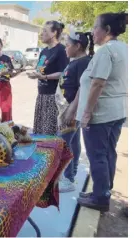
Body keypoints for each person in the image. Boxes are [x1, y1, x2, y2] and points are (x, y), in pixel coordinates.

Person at [76, 13, 128, 212]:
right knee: (108, 153)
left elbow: (98, 83)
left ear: (107, 30)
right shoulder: (124, 48)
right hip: (117, 111)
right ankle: (103, 190)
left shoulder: (106, 51)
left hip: (101, 114)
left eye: (95, 27)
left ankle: (100, 198)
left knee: (97, 155)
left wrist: (87, 112)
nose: (92, 31)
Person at [57, 30, 94, 193]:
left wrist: (71, 110)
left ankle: (67, 178)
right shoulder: (75, 61)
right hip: (67, 108)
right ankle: (71, 173)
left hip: (71, 109)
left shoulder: (84, 62)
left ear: (78, 46)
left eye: (68, 45)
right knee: (72, 141)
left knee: (63, 143)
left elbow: (82, 87)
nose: (66, 48)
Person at [27, 21, 69, 135]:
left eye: (45, 31)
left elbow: (64, 73)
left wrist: (45, 76)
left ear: (54, 33)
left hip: (53, 98)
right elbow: (40, 69)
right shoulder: (44, 51)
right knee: (40, 132)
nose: (42, 33)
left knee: (50, 135)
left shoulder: (61, 50)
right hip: (41, 96)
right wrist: (35, 74)